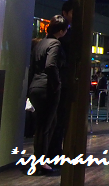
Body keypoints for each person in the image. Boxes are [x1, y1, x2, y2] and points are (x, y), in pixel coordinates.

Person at [27, 15, 68, 175]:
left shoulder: (40, 43)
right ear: (61, 31)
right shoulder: (55, 44)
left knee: (43, 125)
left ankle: (40, 159)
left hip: (35, 87)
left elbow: (32, 68)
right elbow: (51, 65)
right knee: (46, 126)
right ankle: (40, 162)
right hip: (47, 88)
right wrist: (57, 84)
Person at [48, 0, 78, 159]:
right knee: (57, 120)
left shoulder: (65, 35)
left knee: (59, 120)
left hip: (62, 82)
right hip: (60, 83)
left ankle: (55, 153)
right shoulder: (61, 38)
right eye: (73, 13)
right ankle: (53, 154)